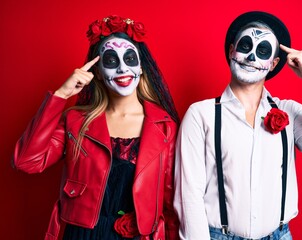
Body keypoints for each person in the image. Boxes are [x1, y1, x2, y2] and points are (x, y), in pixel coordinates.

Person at [173, 11, 302, 240]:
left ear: (274, 63)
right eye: (245, 46)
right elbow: (189, 196)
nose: (252, 57)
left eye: (263, 51)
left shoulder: (289, 112)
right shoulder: (201, 114)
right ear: (231, 50)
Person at [13, 15, 180, 240]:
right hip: (83, 234)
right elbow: (26, 161)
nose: (123, 68)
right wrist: (61, 95)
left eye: (130, 59)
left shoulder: (165, 126)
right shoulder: (75, 120)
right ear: (98, 72)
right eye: (111, 60)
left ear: (141, 67)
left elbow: (171, 200)